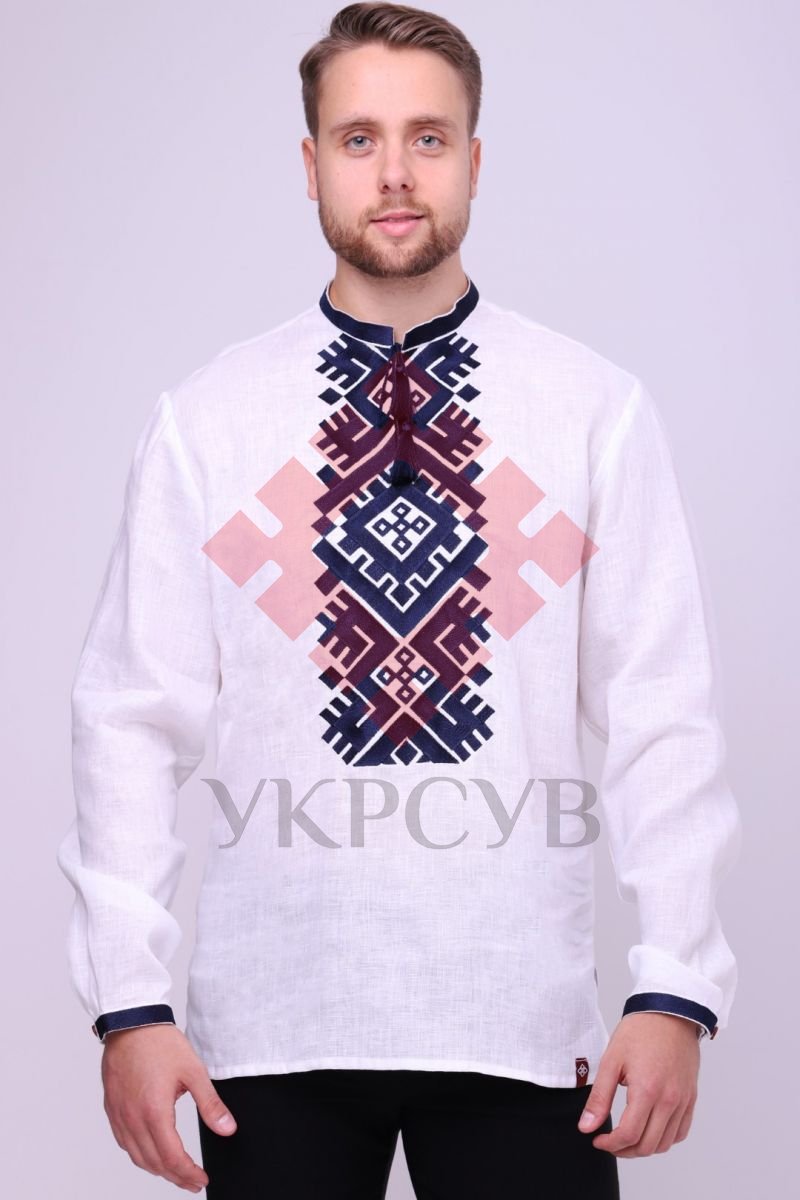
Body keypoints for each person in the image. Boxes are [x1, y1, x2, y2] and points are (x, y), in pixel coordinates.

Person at [56, 4, 742, 1197]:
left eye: (427, 138)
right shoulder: (208, 420)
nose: (392, 173)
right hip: (271, 1032)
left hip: (521, 1027)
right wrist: (129, 1003)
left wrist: (674, 985)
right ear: (310, 163)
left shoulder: (589, 409)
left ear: (473, 159)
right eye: (357, 137)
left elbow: (662, 711)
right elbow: (126, 717)